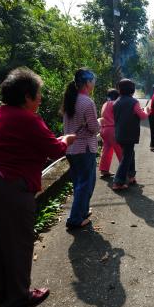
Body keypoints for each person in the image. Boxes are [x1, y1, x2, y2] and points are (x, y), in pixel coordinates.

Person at [0, 67, 75, 307]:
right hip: (4, 187)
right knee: (18, 243)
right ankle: (19, 296)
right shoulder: (28, 119)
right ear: (27, 95)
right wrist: (65, 139)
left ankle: (0, 294)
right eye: (38, 93)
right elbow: (55, 149)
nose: (41, 98)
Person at [62, 68, 100, 229]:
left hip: (70, 148)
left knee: (79, 182)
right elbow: (93, 128)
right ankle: (75, 219)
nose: (94, 84)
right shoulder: (87, 102)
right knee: (86, 183)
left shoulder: (70, 99)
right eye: (93, 81)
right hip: (84, 148)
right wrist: (100, 123)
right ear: (87, 82)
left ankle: (82, 211)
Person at [113, 78, 149, 190]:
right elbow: (143, 116)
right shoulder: (134, 102)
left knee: (129, 154)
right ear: (132, 90)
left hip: (119, 134)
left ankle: (131, 176)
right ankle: (118, 182)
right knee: (127, 157)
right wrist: (147, 110)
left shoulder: (116, 102)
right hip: (130, 134)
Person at [98, 89, 122, 178]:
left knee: (106, 150)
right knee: (120, 151)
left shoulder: (105, 104)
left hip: (104, 129)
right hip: (113, 129)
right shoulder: (115, 104)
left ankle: (104, 170)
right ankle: (125, 172)